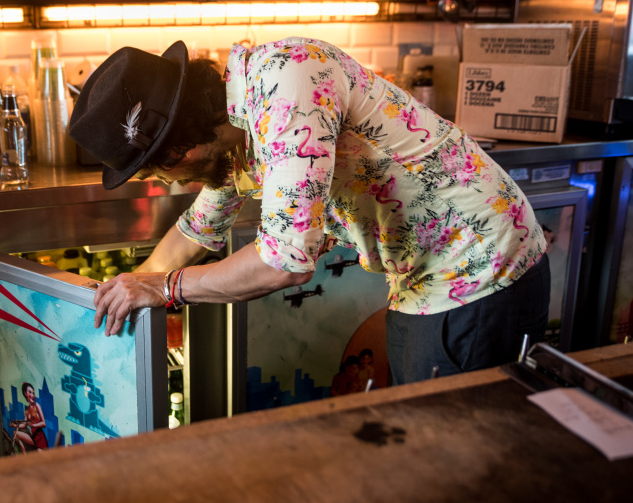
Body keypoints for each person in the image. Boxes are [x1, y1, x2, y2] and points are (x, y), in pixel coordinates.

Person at [69, 37, 550, 385]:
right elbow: (199, 227)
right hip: (419, 279)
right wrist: (129, 288)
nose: (167, 182)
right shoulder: (237, 126)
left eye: (157, 172)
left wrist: (166, 288)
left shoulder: (286, 83)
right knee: (421, 432)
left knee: (454, 453)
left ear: (183, 149)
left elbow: (283, 263)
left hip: (480, 264)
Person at [12, 381, 48, 452]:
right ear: (25, 393)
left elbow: (44, 423)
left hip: (40, 438)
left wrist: (33, 425)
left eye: (33, 393)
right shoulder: (27, 410)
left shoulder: (36, 405)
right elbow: (24, 425)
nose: (32, 395)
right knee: (15, 433)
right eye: (30, 392)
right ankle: (24, 454)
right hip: (33, 437)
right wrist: (15, 425)